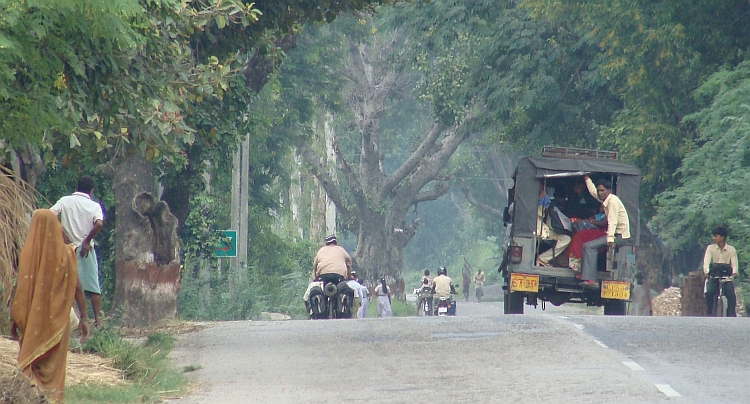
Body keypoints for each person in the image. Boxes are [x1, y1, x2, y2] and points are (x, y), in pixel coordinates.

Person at [10, 210, 79, 403]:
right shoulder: (66, 255)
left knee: (32, 362)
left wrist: (14, 319)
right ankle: (53, 398)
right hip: (59, 322)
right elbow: (77, 287)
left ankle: (34, 396)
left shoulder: (27, 254)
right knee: (55, 365)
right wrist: (87, 318)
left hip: (32, 322)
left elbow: (21, 290)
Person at [50, 176, 104, 326]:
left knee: (71, 285)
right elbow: (99, 223)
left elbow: (49, 215)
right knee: (93, 287)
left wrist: (62, 232)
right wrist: (86, 241)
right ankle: (98, 321)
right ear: (91, 191)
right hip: (84, 250)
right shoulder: (94, 206)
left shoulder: (65, 201)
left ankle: (76, 318)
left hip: (67, 249)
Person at [579, 175, 630, 290]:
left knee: (589, 247)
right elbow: (593, 192)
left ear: (609, 191)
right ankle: (589, 277)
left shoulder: (613, 202)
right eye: (599, 191)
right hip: (614, 235)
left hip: (619, 236)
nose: (600, 193)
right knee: (588, 246)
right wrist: (587, 178)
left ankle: (591, 280)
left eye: (602, 190)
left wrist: (610, 239)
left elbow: (612, 221)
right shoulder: (605, 199)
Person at [703, 226, 738, 317]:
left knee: (731, 295)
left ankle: (731, 315)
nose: (713, 238)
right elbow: (706, 262)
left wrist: (734, 272)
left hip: (726, 278)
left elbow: (734, 264)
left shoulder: (731, 249)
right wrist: (706, 272)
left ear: (722, 237)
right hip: (714, 276)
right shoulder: (710, 248)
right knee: (709, 292)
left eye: (716, 236)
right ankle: (709, 312)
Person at [536, 185, 571, 267]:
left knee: (566, 239)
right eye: (542, 193)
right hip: (535, 227)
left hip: (543, 227)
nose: (544, 194)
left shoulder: (546, 202)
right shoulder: (529, 202)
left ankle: (542, 259)